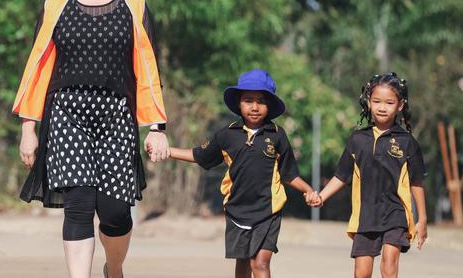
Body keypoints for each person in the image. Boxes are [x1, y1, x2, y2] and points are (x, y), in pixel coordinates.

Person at [11, 0, 170, 278]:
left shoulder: (135, 3)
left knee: (115, 212)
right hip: (67, 111)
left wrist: (156, 127)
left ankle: (113, 268)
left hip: (117, 114)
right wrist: (28, 126)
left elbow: (148, 70)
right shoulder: (56, 2)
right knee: (79, 204)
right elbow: (37, 66)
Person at [165, 69, 318, 278]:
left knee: (261, 264)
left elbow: (289, 174)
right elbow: (200, 155)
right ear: (238, 103)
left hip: (268, 210)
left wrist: (308, 191)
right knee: (243, 264)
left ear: (269, 105)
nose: (254, 107)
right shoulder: (226, 135)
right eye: (248, 100)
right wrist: (168, 151)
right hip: (237, 211)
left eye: (261, 101)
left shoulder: (277, 135)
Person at [312, 72, 427, 278]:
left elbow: (416, 181)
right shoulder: (358, 139)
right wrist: (321, 196)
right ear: (368, 102)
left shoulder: (407, 142)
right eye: (377, 101)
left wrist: (422, 219)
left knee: (389, 262)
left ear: (400, 106)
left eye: (389, 102)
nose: (382, 107)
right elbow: (341, 175)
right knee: (361, 273)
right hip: (365, 215)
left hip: (396, 213)